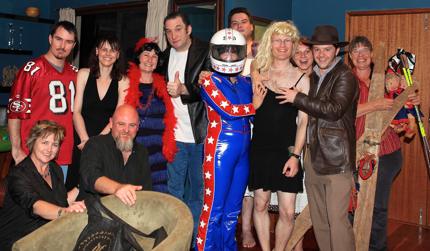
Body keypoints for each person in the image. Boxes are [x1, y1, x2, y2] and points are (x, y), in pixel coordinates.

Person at [277, 25, 358, 251]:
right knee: (320, 221)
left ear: (336, 51)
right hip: (312, 156)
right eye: (318, 50)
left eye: (327, 50)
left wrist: (298, 98)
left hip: (337, 159)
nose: (321, 54)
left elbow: (334, 109)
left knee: (337, 221)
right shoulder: (311, 77)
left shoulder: (345, 76)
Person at [348, 36, 420, 251]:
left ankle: (377, 248)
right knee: (353, 206)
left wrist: (409, 108)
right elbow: (341, 114)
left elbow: (403, 110)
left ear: (372, 55)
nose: (361, 55)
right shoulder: (344, 81)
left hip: (387, 152)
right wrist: (375, 104)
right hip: (355, 153)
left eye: (365, 51)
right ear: (350, 57)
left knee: (377, 207)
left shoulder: (388, 80)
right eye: (355, 51)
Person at [249, 21, 309, 251]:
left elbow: (303, 122)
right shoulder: (259, 73)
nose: (282, 45)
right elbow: (248, 110)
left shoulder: (301, 79)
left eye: (287, 40)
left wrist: (295, 155)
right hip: (260, 149)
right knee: (261, 204)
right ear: (270, 43)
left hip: (286, 152)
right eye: (277, 40)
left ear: (293, 45)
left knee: (286, 210)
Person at [196, 28, 255, 251]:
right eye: (224, 51)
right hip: (219, 149)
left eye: (234, 51)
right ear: (215, 53)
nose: (229, 56)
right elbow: (229, 110)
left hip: (243, 151)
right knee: (213, 209)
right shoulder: (209, 81)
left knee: (233, 210)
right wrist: (255, 106)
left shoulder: (246, 82)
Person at [160, 11, 210, 242]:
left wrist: (184, 90)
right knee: (174, 192)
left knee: (198, 193)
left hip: (200, 135)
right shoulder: (163, 56)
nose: (173, 35)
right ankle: (175, 240)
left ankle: (191, 240)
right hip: (174, 137)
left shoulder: (206, 52)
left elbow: (212, 90)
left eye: (178, 29)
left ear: (188, 29)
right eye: (168, 31)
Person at [8, 21, 78, 180]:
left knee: (56, 201)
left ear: (73, 45)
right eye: (58, 39)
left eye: (68, 42)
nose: (62, 46)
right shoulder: (31, 70)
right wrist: (16, 149)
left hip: (63, 151)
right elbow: (15, 113)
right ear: (50, 39)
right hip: (33, 152)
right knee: (32, 202)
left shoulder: (76, 74)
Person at [0, 120, 85, 250]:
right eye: (45, 142)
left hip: (44, 237)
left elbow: (60, 202)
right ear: (33, 142)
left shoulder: (54, 169)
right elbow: (36, 206)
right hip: (18, 242)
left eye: (55, 144)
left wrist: (82, 186)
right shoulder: (19, 174)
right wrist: (66, 212)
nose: (49, 149)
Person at [66, 34, 129, 190]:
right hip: (81, 139)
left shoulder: (123, 81)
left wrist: (95, 143)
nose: (108, 54)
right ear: (96, 51)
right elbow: (76, 112)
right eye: (104, 49)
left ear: (118, 55)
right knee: (76, 184)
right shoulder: (83, 74)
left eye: (113, 50)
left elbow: (117, 117)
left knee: (100, 187)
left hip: (107, 141)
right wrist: (85, 140)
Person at [125, 38, 177, 193]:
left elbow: (169, 119)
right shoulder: (126, 83)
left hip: (159, 152)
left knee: (159, 196)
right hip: (135, 149)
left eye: (154, 56)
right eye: (146, 55)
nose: (150, 59)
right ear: (138, 57)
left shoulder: (163, 85)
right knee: (137, 194)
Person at [228, 7, 259, 248]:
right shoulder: (223, 56)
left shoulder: (262, 54)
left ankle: (247, 229)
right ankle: (234, 227)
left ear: (251, 27)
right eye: (235, 23)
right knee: (233, 180)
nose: (239, 26)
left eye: (244, 22)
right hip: (232, 126)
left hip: (258, 125)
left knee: (250, 182)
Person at [79, 104, 152, 206]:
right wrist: (117, 188)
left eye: (132, 125)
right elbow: (91, 177)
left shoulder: (142, 152)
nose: (126, 130)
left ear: (138, 127)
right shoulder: (95, 144)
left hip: (130, 216)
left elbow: (146, 192)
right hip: (95, 215)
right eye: (121, 124)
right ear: (111, 123)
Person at [290, 37, 314, 251]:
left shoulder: (321, 80)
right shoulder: (286, 77)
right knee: (293, 206)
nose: (303, 56)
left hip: (315, 150)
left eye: (307, 52)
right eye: (298, 52)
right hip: (291, 148)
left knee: (306, 205)